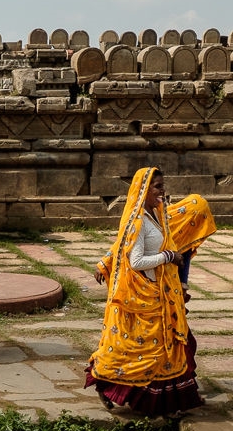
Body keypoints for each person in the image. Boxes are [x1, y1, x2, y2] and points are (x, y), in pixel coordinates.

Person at [87, 167, 204, 418]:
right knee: (137, 353)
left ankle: (167, 404)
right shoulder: (138, 222)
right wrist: (168, 256)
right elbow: (135, 260)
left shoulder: (158, 214)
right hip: (144, 296)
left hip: (164, 294)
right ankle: (107, 386)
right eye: (158, 187)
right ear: (144, 190)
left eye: (163, 186)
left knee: (167, 350)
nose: (163, 191)